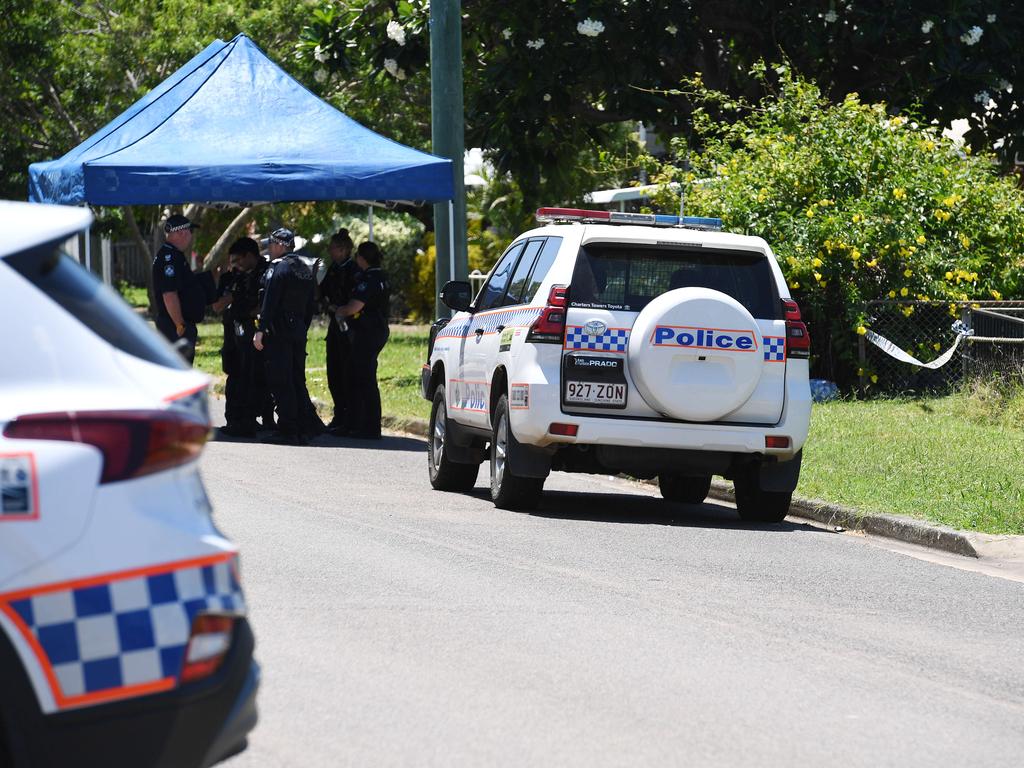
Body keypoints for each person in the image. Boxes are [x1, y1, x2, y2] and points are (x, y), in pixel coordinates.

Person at [253, 228, 319, 445]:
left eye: (271, 245)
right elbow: (311, 304)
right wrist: (302, 327)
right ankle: (302, 427)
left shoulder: (278, 268)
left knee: (281, 380)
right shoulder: (304, 268)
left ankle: (288, 429)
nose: (269, 249)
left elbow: (270, 301)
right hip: (298, 330)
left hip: (279, 331)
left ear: (281, 245)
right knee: (297, 379)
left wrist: (261, 330)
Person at [335, 241, 390, 439]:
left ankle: (368, 427)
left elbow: (354, 307)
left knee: (363, 378)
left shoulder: (370, 279)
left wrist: (339, 311)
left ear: (361, 258)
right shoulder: (381, 275)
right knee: (357, 375)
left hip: (368, 332)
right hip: (375, 330)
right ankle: (356, 423)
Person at [218, 238, 266, 437]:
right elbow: (217, 305)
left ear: (249, 256)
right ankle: (235, 419)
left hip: (254, 332)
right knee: (235, 374)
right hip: (233, 332)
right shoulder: (232, 277)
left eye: (238, 260)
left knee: (255, 375)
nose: (235, 265)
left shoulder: (265, 274)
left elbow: (265, 304)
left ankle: (254, 419)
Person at [318, 229, 359, 435]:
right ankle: (339, 413)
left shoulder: (354, 270)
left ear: (343, 250)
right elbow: (322, 291)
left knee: (346, 372)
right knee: (333, 371)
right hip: (335, 325)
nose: (330, 252)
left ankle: (349, 416)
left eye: (333, 248)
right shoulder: (333, 269)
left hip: (351, 326)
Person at [152, 213, 201, 363]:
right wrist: (180, 325)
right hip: (173, 325)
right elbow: (169, 294)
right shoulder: (170, 258)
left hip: (173, 324)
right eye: (190, 232)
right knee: (180, 370)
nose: (191, 236)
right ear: (182, 232)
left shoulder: (173, 254)